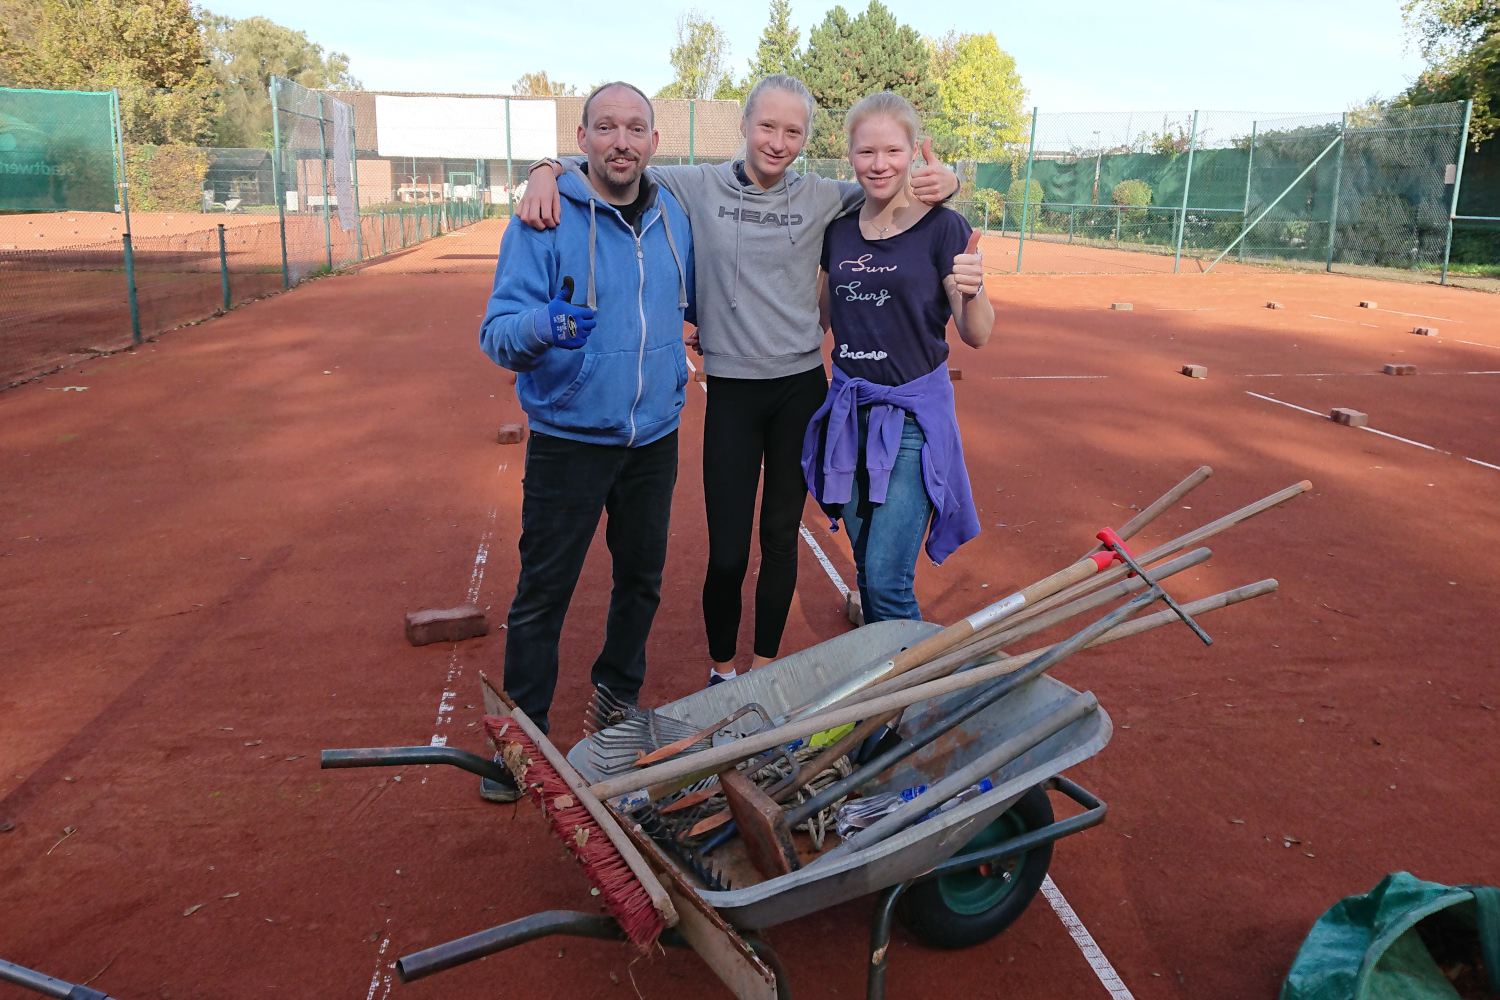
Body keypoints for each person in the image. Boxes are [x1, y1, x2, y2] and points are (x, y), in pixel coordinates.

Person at [518, 75, 960, 687]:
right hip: (730, 389)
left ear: (806, 138)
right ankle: (723, 673)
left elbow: (891, 182)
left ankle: (767, 671)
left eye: (793, 131)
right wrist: (544, 168)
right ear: (744, 127)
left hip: (799, 388)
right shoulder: (695, 184)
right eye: (767, 127)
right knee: (728, 552)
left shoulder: (824, 196)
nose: (778, 142)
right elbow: (615, 160)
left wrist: (954, 180)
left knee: (780, 541)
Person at [476, 82, 693, 800]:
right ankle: (524, 742)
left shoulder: (674, 216)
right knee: (543, 591)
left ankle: (613, 699)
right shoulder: (541, 220)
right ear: (583, 138)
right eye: (606, 128)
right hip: (570, 437)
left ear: (654, 142)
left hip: (652, 435)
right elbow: (497, 333)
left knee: (641, 579)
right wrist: (543, 327)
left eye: (635, 128)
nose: (621, 141)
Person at [802, 92, 992, 623]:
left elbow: (977, 335)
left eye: (892, 150)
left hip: (910, 421)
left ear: (913, 151)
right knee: (866, 568)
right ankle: (884, 696)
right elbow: (816, 319)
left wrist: (974, 289)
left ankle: (910, 703)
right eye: (866, 152)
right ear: (849, 155)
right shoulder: (837, 231)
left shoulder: (943, 228)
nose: (879, 164)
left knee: (887, 583)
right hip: (850, 413)